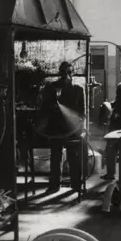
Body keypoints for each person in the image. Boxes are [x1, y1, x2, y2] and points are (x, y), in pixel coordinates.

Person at [37, 61, 86, 194]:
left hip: (71, 129)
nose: (66, 75)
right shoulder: (52, 87)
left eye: (69, 72)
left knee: (73, 157)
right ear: (60, 73)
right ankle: (54, 185)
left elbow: (82, 111)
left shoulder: (78, 89)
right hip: (56, 128)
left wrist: (81, 128)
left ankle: (76, 184)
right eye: (64, 72)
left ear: (73, 73)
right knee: (55, 156)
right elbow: (44, 107)